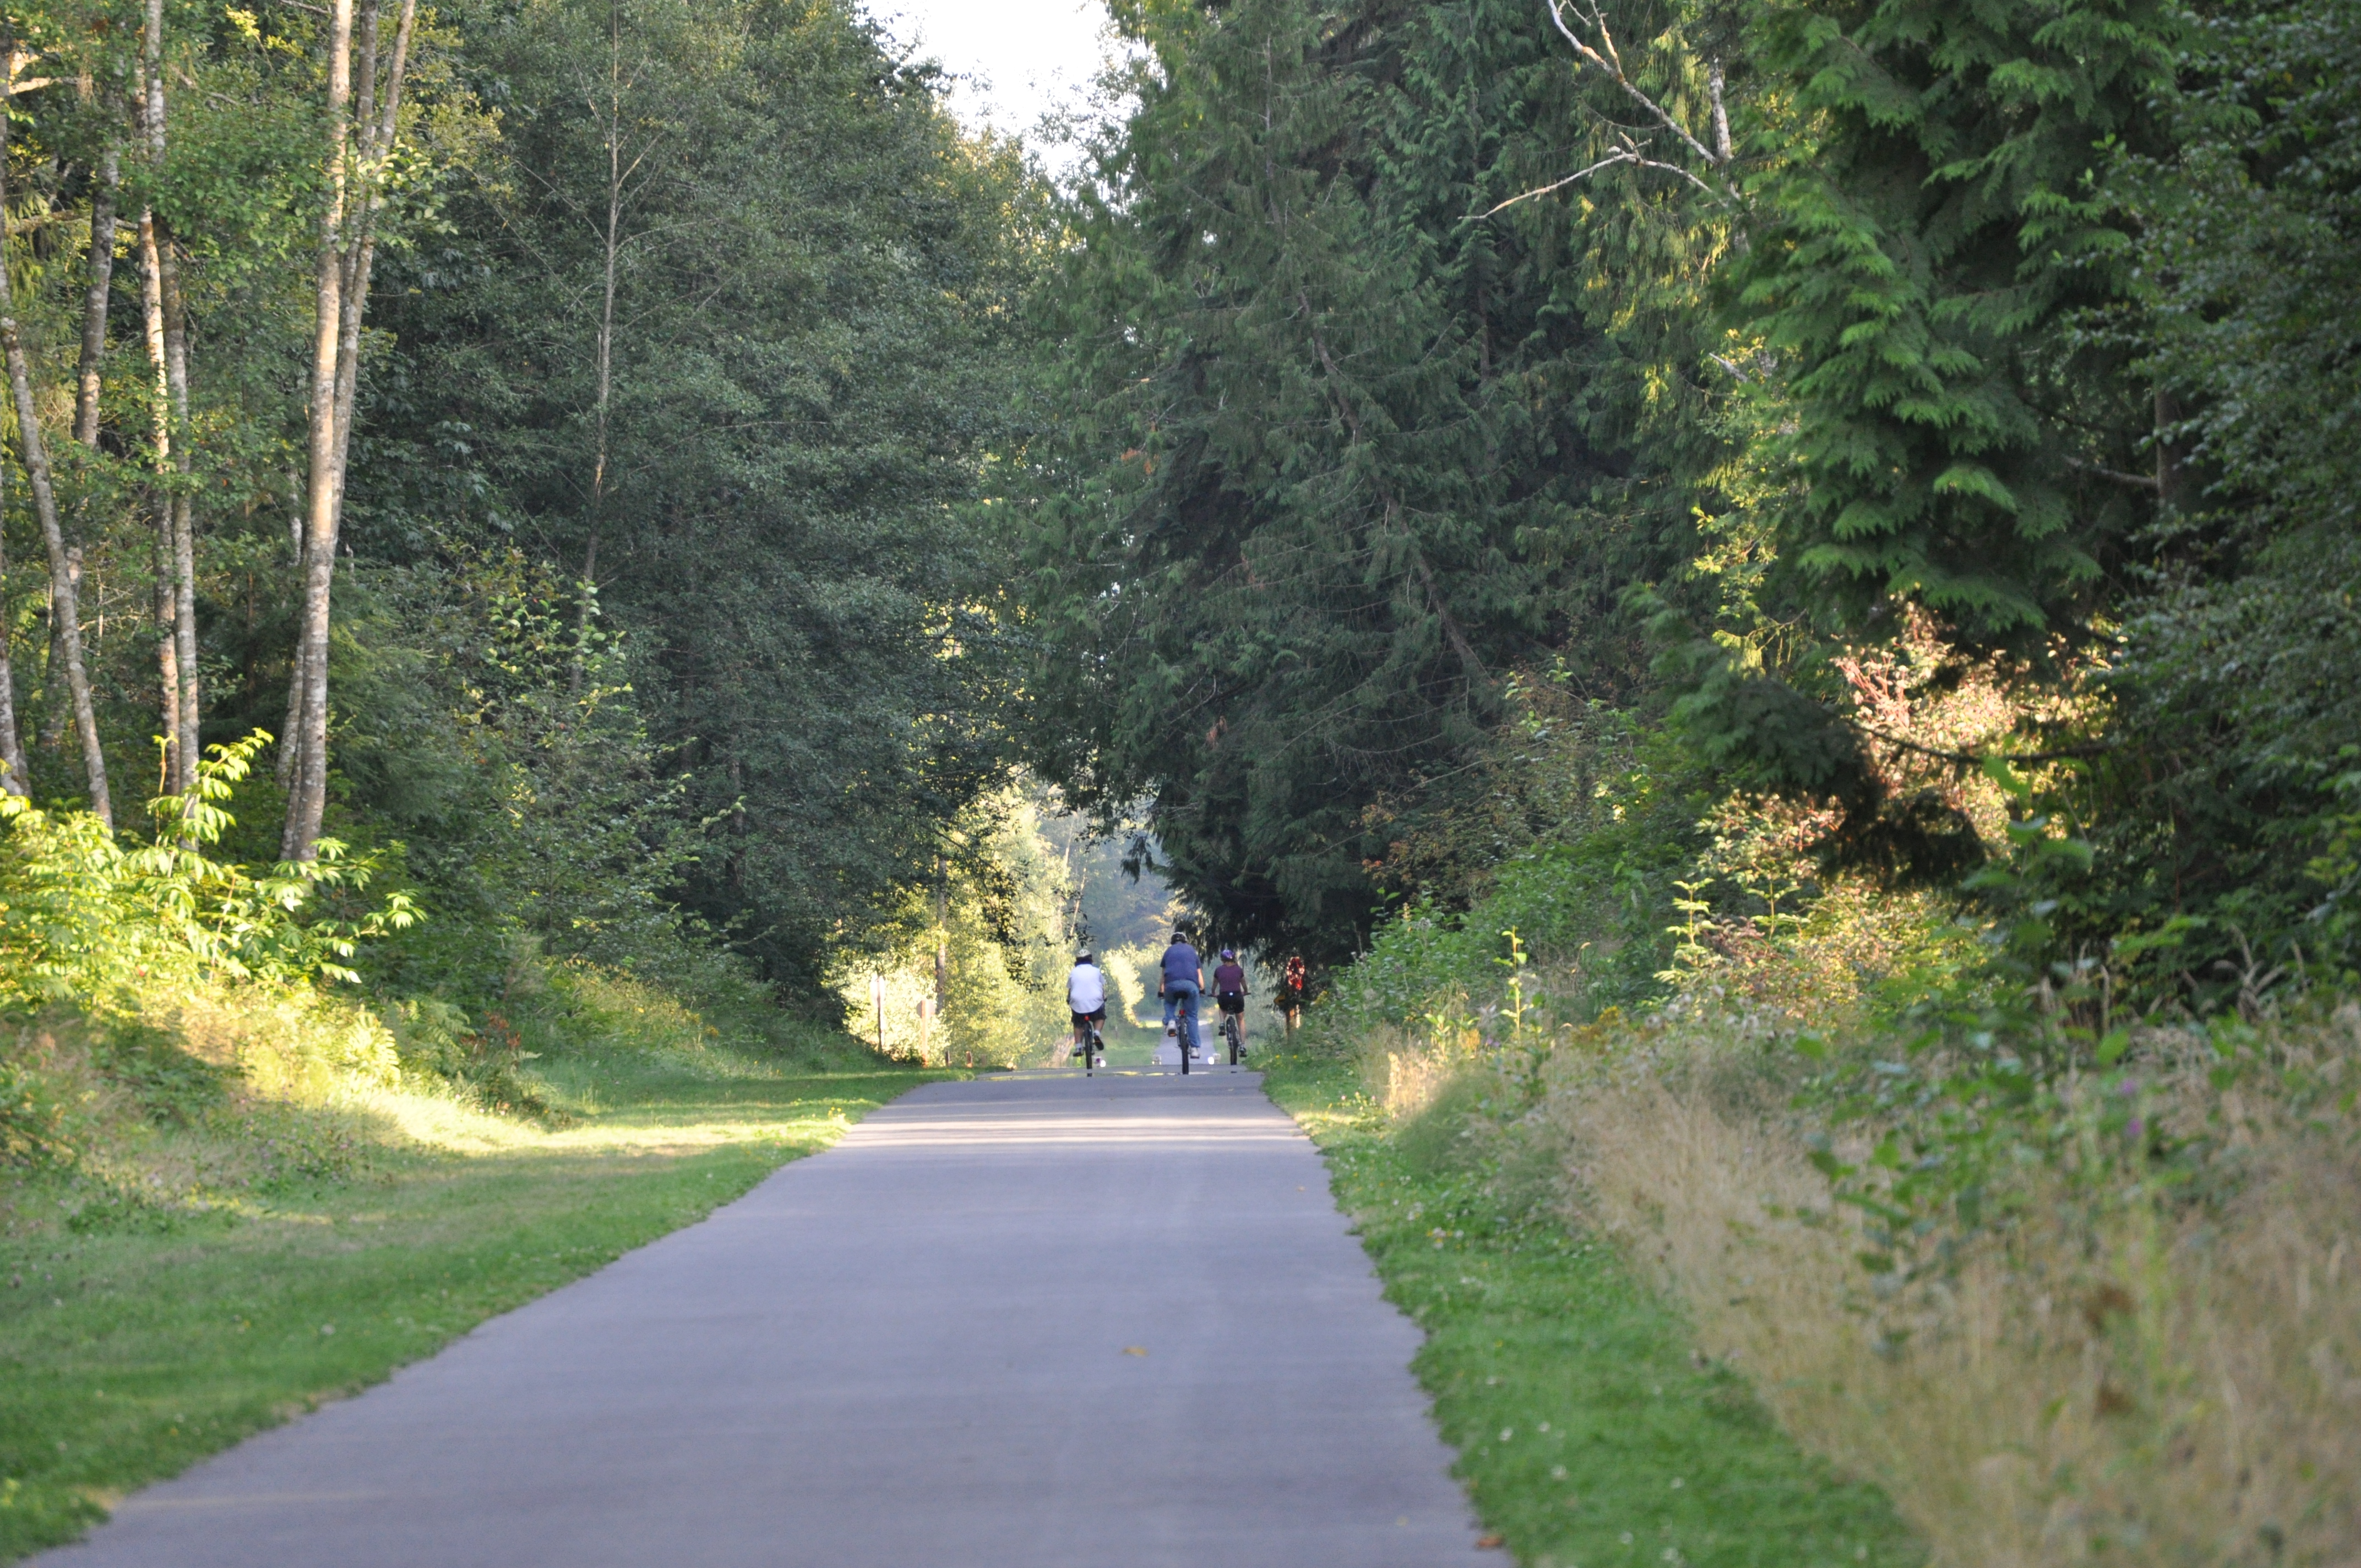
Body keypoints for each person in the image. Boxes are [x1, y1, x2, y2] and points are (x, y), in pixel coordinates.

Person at [1157, 929, 1204, 1063]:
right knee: (1192, 1017)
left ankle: (1171, 1021)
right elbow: (1199, 974)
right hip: (1191, 986)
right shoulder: (1192, 951)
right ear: (1185, 941)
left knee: (1169, 1002)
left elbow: (1164, 975)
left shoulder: (1168, 952)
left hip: (1171, 985)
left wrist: (1161, 991)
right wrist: (1202, 988)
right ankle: (1195, 1049)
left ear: (1173, 942)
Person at [1066, 951, 1107, 1064]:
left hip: (1078, 1002)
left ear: (1077, 961)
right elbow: (1102, 988)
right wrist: (1104, 998)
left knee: (1077, 1022)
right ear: (1091, 960)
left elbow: (1071, 989)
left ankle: (1079, 1047)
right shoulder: (1096, 971)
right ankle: (1097, 1034)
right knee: (1100, 1017)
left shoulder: (1073, 972)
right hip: (1095, 1001)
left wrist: (1069, 999)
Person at [1211, 947, 1248, 1056]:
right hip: (1237, 996)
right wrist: (1245, 991)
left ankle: (1222, 1023)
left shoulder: (1218, 970)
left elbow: (1215, 985)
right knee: (1241, 1020)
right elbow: (1244, 984)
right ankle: (1242, 1046)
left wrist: (1213, 993)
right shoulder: (1239, 970)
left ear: (1223, 960)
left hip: (1224, 997)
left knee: (1222, 1008)